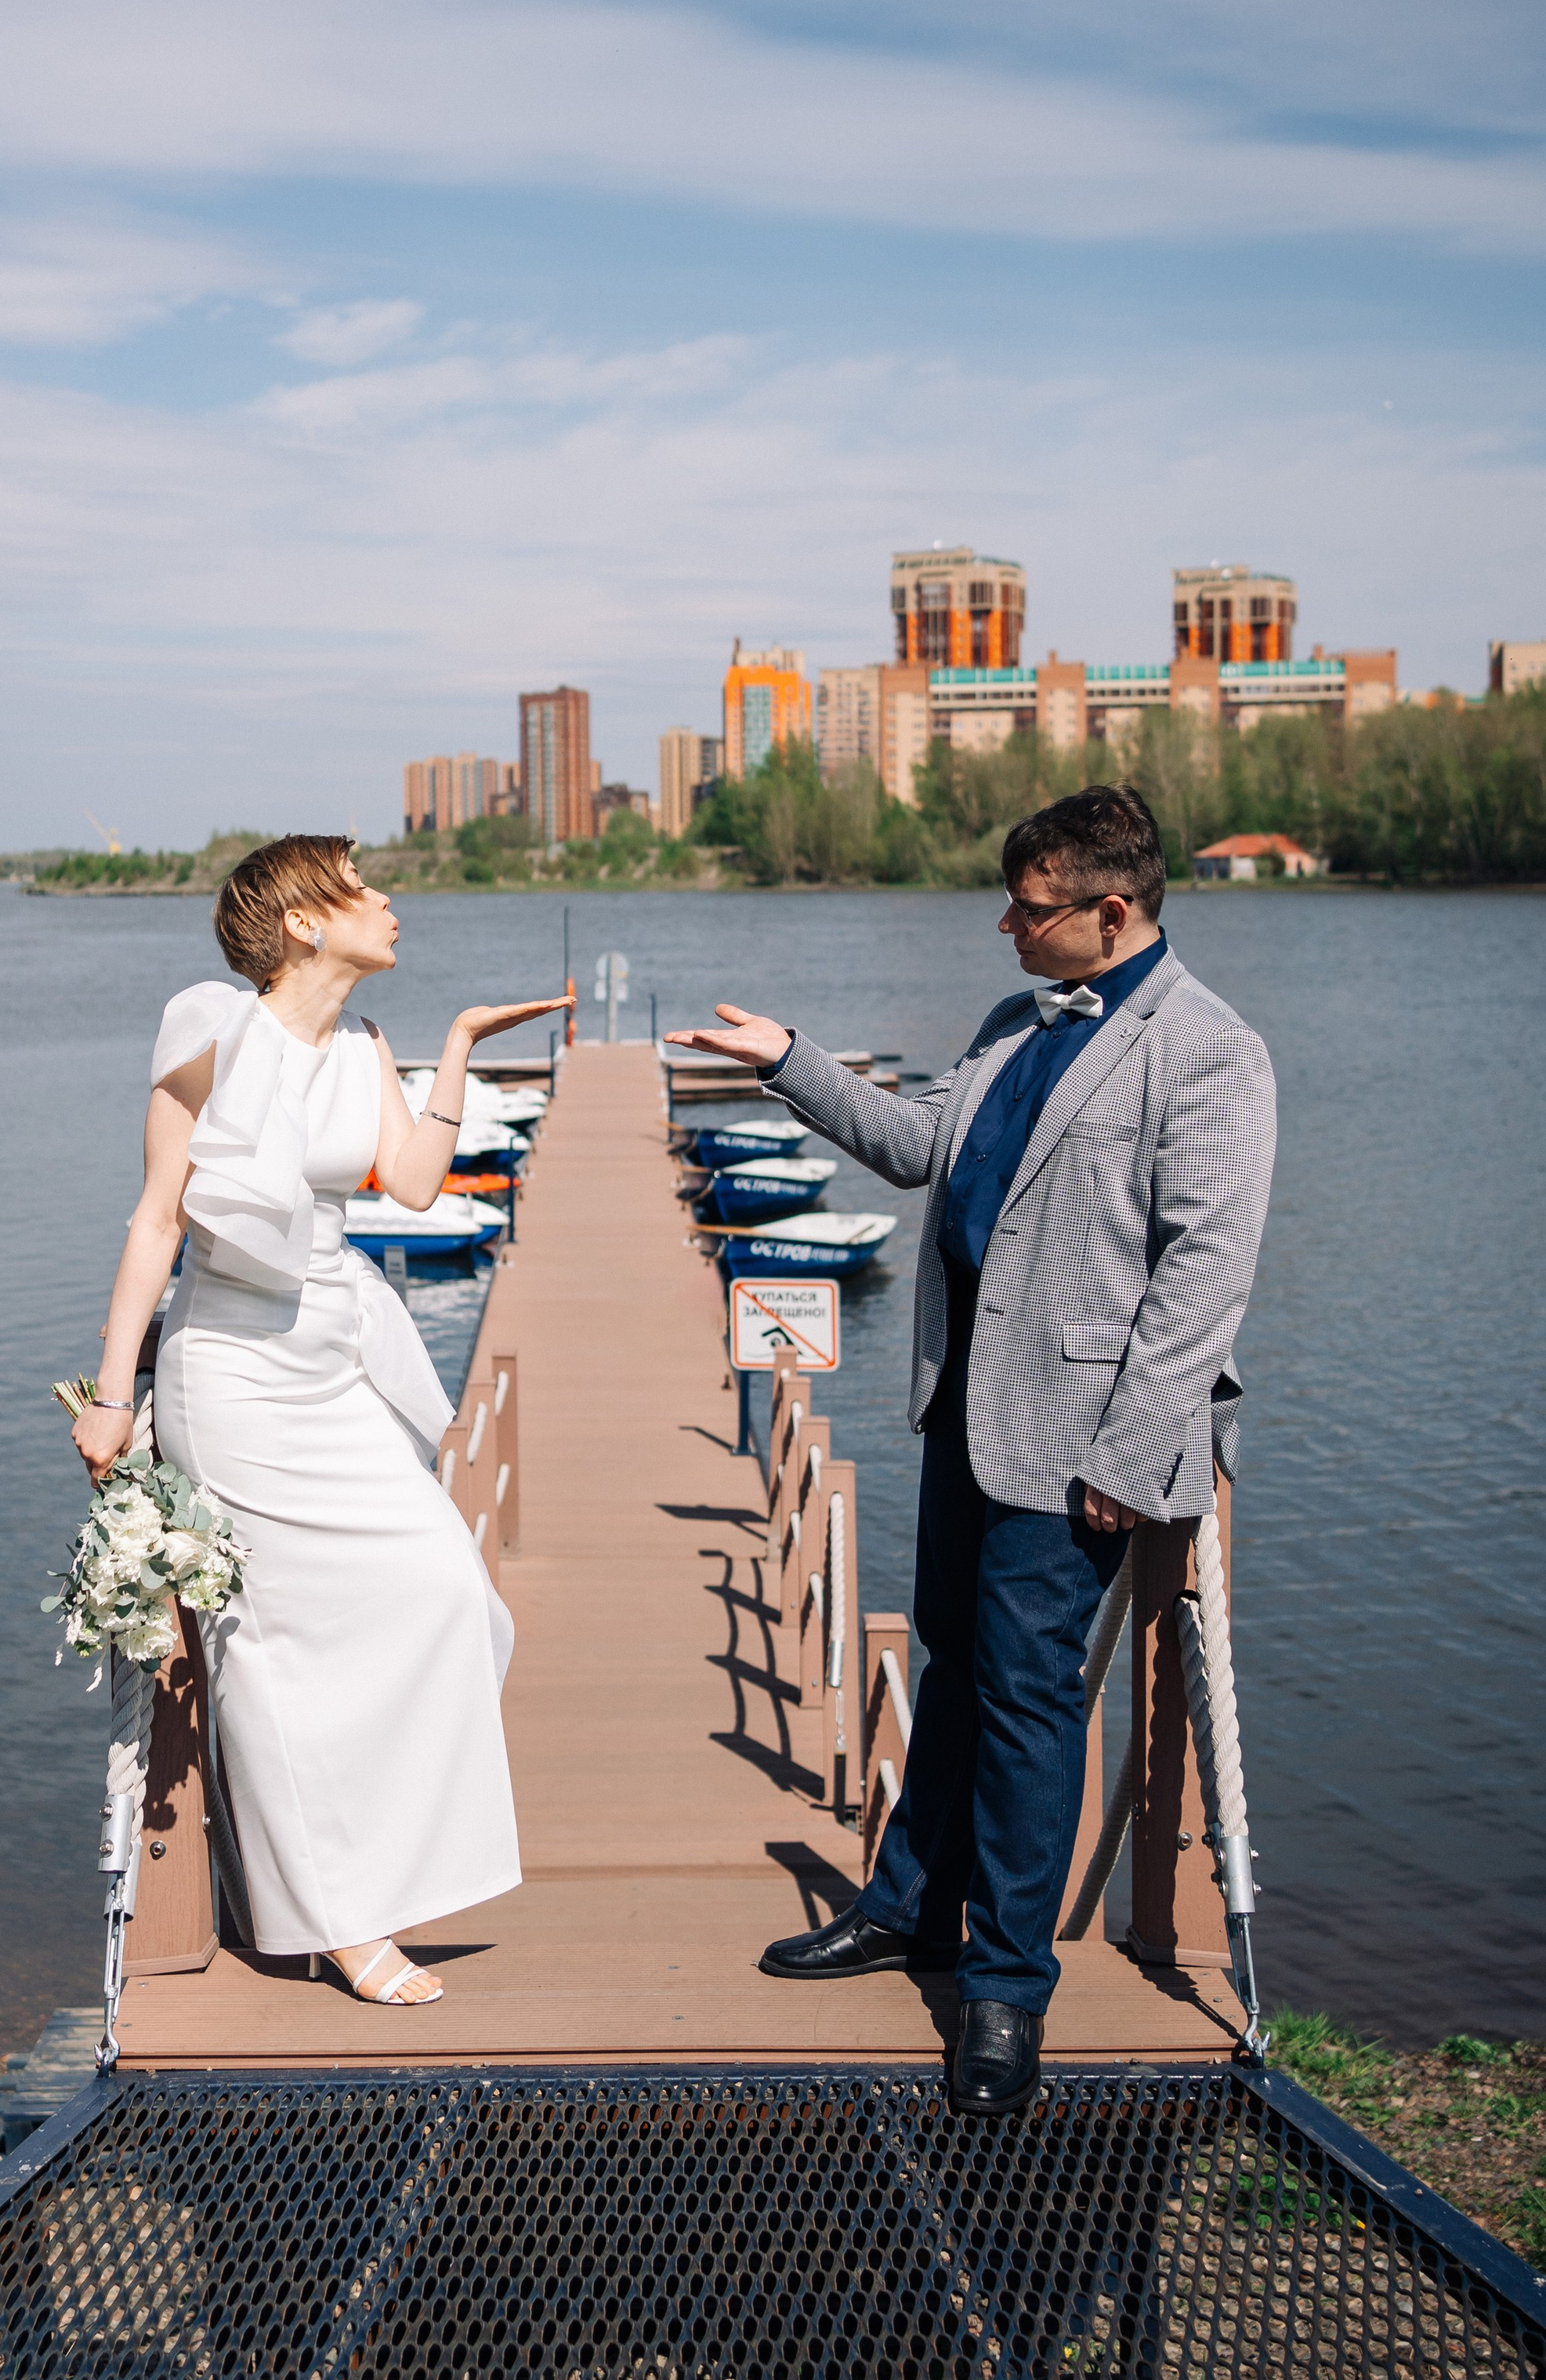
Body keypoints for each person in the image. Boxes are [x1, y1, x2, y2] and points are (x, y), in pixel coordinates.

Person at [668, 784, 1274, 2113]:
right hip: (963, 1413)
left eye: (1031, 906)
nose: (1006, 925)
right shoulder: (1013, 1024)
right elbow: (918, 1149)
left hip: (1084, 1449)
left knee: (1026, 1699)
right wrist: (790, 1058)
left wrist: (1132, 1447)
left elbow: (1203, 1276)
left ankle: (1004, 1987)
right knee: (957, 1658)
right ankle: (909, 1909)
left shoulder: (1210, 1051)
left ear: (1111, 913)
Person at [72, 835, 566, 2009]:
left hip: (334, 1362)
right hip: (231, 1372)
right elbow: (154, 1221)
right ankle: (335, 1919)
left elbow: (411, 1184)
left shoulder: (365, 1046)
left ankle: (363, 1868)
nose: (387, 901)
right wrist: (108, 1395)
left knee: (455, 1598)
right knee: (277, 1650)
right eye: (359, 887)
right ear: (301, 921)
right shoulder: (210, 1030)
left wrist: (453, 1053)